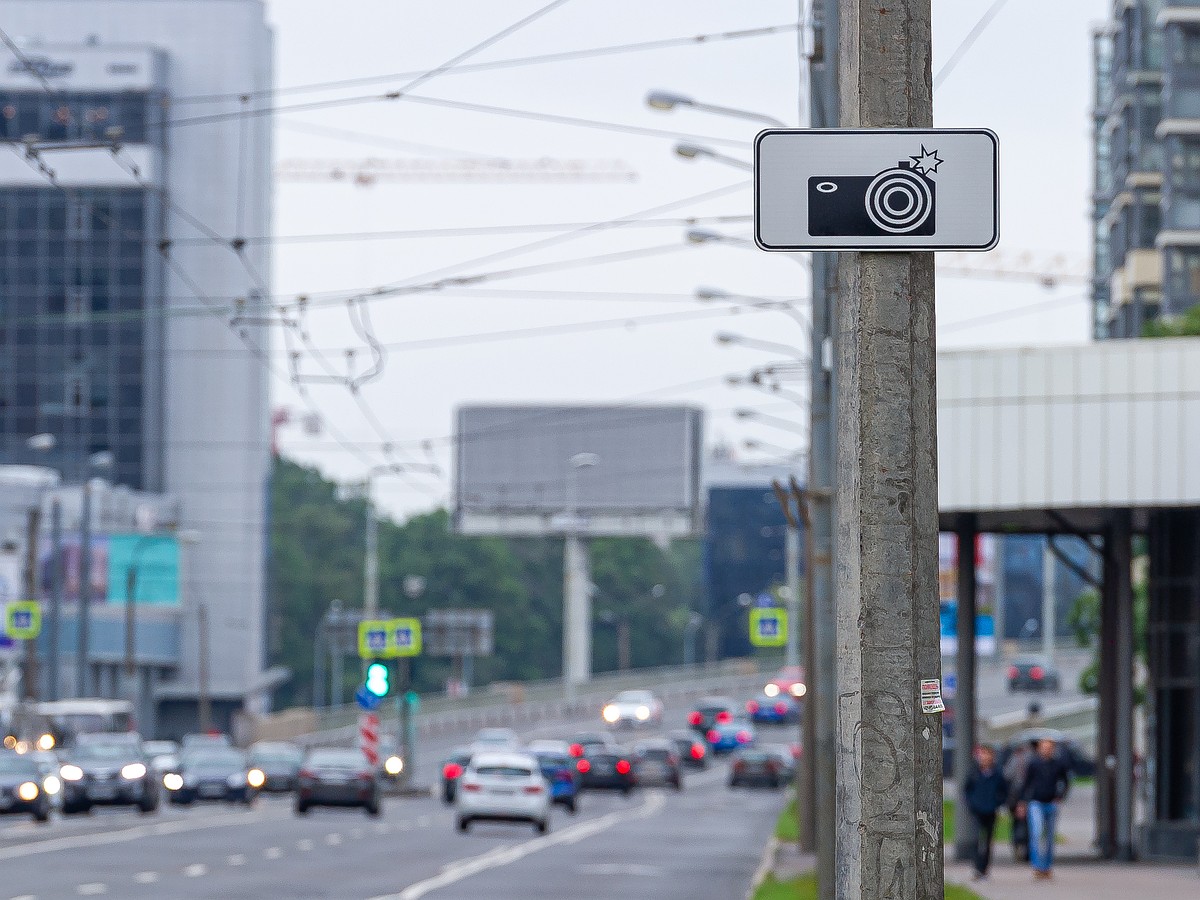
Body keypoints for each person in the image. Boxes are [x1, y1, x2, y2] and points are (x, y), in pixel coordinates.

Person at [1018, 738, 1071, 880]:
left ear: (1052, 749)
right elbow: (1026, 783)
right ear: (1039, 749)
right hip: (1036, 802)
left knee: (1049, 837)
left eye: (1049, 748)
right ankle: (1037, 865)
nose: (1046, 750)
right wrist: (1022, 802)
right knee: (1036, 833)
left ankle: (1046, 867)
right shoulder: (1033, 764)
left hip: (1051, 803)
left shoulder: (1058, 764)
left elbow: (1065, 781)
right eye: (1043, 747)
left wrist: (1060, 796)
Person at [963, 743, 1009, 881]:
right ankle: (977, 867)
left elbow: (1004, 791)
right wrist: (972, 803)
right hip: (977, 810)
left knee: (988, 840)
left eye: (987, 755)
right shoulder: (974, 772)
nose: (984, 758)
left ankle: (984, 868)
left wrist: (997, 803)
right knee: (976, 839)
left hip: (991, 810)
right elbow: (967, 789)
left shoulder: (997, 773)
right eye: (982, 755)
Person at [1003, 741, 1034, 862]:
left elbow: (1007, 776)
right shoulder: (1031, 759)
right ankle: (1025, 849)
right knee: (1027, 824)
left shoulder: (1013, 760)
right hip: (1023, 796)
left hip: (1015, 797)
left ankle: (1017, 845)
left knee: (1016, 823)